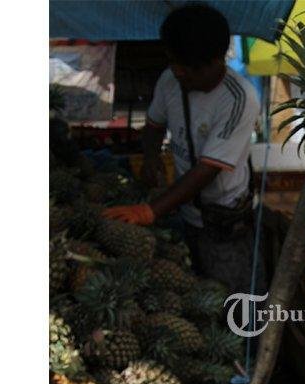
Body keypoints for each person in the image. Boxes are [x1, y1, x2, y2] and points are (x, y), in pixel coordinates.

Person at [104, 3, 265, 296]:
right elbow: (153, 124)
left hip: (225, 223)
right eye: (174, 63)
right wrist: (150, 158)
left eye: (189, 69)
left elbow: (208, 170)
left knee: (233, 300)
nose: (179, 73)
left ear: (216, 61)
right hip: (184, 213)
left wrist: (150, 211)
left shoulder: (240, 100)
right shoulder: (171, 79)